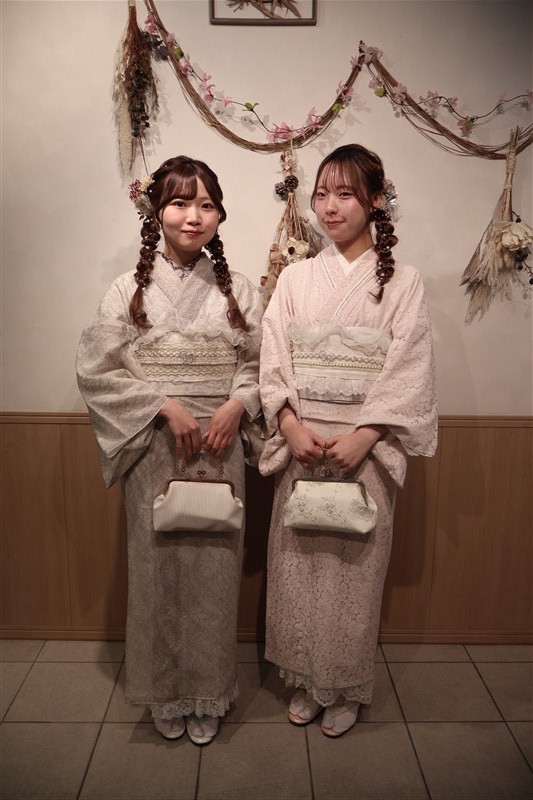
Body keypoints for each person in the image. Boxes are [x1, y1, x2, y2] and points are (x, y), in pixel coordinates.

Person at [76, 156, 263, 745]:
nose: (193, 216)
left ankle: (208, 692)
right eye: (180, 203)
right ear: (156, 212)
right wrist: (163, 404)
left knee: (216, 570)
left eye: (206, 205)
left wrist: (239, 403)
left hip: (221, 444)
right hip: (154, 445)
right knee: (156, 569)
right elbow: (98, 369)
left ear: (219, 215)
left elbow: (262, 363)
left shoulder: (239, 290)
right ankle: (164, 692)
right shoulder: (125, 290)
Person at [259, 143, 437, 737]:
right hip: (303, 444)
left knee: (354, 570)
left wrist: (366, 434)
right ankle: (305, 680)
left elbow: (409, 365)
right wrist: (289, 425)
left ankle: (343, 685)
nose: (329, 207)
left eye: (345, 194)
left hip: (364, 452)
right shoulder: (295, 278)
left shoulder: (403, 282)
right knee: (298, 565)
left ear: (376, 199)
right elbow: (273, 356)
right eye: (321, 194)